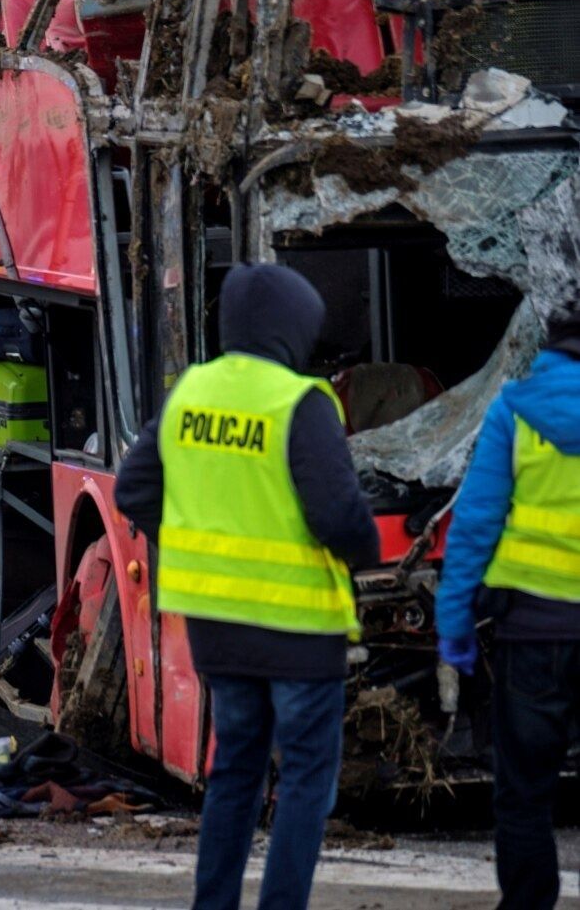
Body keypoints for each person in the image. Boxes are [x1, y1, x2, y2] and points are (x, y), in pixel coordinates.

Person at [114, 263, 379, 910]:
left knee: (234, 770)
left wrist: (191, 543)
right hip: (297, 630)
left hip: (215, 627)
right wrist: (363, 552)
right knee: (306, 780)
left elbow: (132, 490)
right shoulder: (300, 401)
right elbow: (337, 515)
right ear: (292, 328)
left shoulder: (190, 393)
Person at [436, 308, 580, 910]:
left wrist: (454, 624)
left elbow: (473, 524)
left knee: (524, 793)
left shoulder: (515, 411)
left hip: (533, 638)